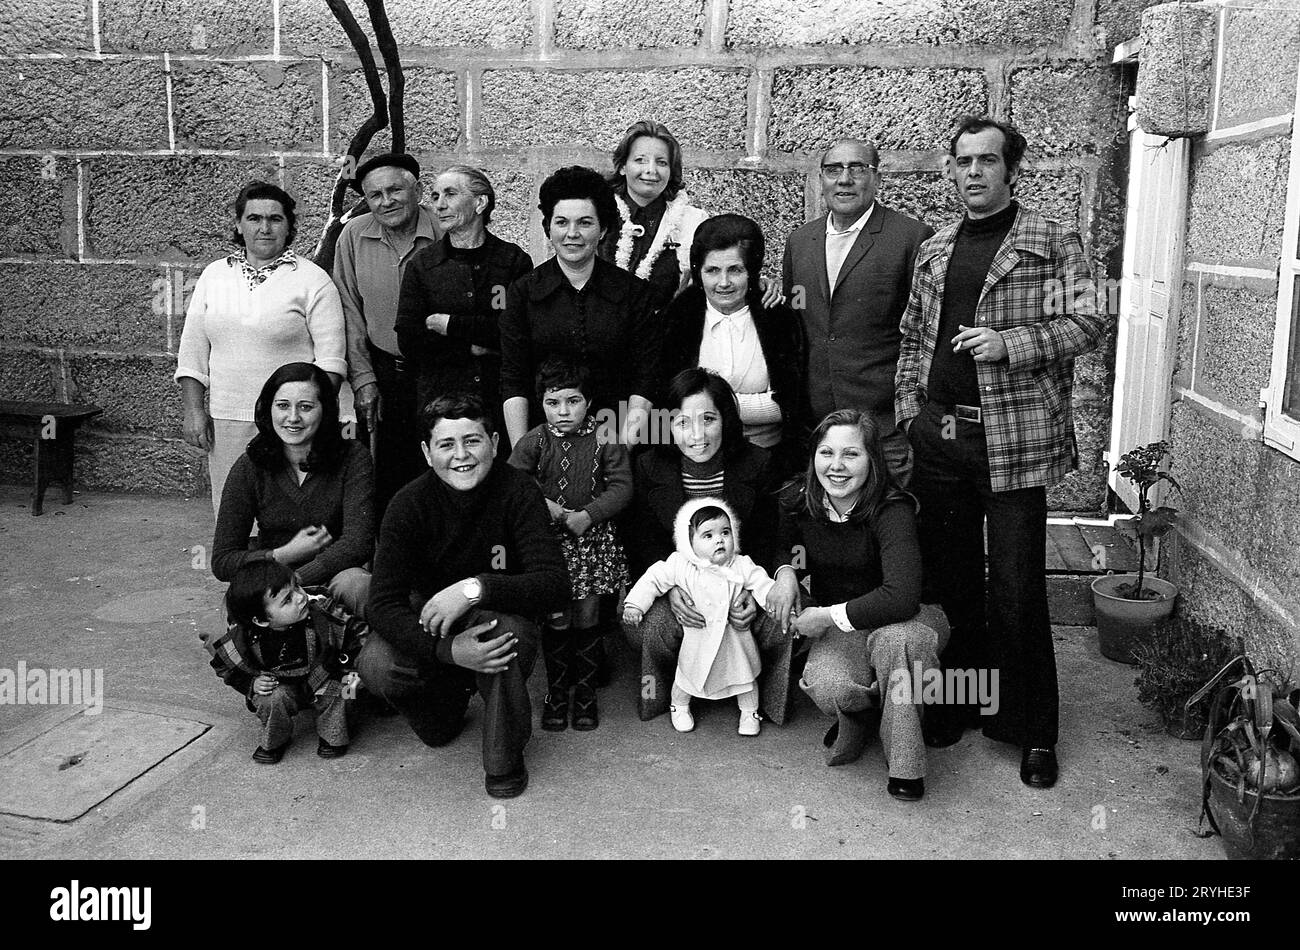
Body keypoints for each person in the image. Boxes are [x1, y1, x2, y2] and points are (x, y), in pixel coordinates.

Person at [895, 116, 1109, 789]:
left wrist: (1010, 343)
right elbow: (911, 339)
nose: (974, 172)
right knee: (954, 585)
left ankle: (1033, 729)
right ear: (951, 170)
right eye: (963, 161)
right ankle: (965, 705)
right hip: (941, 440)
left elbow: (1091, 319)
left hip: (1013, 441)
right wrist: (910, 412)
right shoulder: (935, 248)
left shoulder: (1051, 237)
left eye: (988, 161)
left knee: (1016, 589)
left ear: (1011, 170)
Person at [358, 393, 569, 798]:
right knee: (378, 664)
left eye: (472, 441)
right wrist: (448, 651)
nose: (462, 456)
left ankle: (503, 757)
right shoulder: (406, 504)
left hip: (494, 615)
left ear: (493, 442)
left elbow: (553, 583)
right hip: (433, 624)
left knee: (505, 638)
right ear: (426, 452)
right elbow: (382, 603)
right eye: (446, 444)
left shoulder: (519, 492)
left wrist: (476, 588)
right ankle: (447, 694)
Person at [767, 409, 951, 801]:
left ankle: (906, 765)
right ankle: (874, 711)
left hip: (912, 617)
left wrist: (827, 616)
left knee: (898, 644)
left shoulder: (892, 509)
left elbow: (900, 597)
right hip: (850, 621)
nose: (836, 466)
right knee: (827, 685)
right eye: (826, 452)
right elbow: (785, 545)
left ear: (872, 460)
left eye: (851, 454)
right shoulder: (801, 499)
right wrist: (785, 572)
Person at [623, 369, 795, 724]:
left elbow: (769, 536)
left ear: (726, 421)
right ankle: (669, 691)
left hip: (740, 582)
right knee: (651, 626)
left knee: (785, 617)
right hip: (677, 584)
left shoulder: (757, 462)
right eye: (683, 422)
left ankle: (759, 693)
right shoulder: (649, 465)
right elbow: (642, 543)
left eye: (708, 419)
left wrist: (751, 591)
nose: (696, 435)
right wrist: (670, 589)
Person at [176, 181, 346, 516]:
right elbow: (193, 351)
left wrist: (312, 419)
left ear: (288, 226)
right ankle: (239, 570)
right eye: (254, 219)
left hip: (291, 420)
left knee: (287, 513)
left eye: (275, 219)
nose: (264, 228)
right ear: (239, 225)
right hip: (228, 418)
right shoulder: (214, 276)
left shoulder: (312, 280)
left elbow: (331, 362)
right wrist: (194, 411)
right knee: (234, 513)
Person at [782, 138, 933, 484]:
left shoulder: (911, 237)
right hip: (820, 425)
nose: (844, 179)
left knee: (890, 524)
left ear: (877, 178)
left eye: (857, 169)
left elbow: (926, 333)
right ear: (821, 180)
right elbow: (797, 318)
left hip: (884, 426)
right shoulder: (800, 241)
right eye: (833, 170)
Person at [507, 358, 631, 732]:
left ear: (588, 402)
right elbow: (512, 483)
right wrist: (548, 509)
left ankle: (587, 695)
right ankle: (557, 694)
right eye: (553, 402)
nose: (563, 411)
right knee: (557, 615)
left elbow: (623, 486)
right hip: (550, 545)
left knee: (589, 615)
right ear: (541, 403)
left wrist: (588, 515)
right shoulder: (534, 440)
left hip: (591, 542)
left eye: (572, 401)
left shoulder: (605, 438)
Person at [500, 165, 658, 449]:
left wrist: (621, 452)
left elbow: (645, 379)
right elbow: (514, 378)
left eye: (585, 222)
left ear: (603, 229)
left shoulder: (634, 293)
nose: (572, 233)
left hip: (617, 438)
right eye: (561, 222)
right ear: (548, 228)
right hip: (543, 443)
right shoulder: (523, 292)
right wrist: (522, 455)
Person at [211, 362, 374, 617]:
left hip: (335, 574)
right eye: (283, 405)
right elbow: (222, 561)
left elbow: (357, 544)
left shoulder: (353, 457)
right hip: (273, 579)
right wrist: (282, 555)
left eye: (306, 407)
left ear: (325, 411)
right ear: (269, 409)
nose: (293, 418)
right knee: (225, 620)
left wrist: (294, 580)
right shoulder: (250, 465)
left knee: (359, 587)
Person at [333, 153, 440, 517]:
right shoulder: (352, 236)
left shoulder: (445, 231)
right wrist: (363, 379)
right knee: (387, 476)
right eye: (375, 194)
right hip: (385, 373)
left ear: (419, 190)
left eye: (395, 190)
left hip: (441, 371)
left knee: (443, 466)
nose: (386, 201)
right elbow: (349, 311)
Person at [660, 213, 805, 476]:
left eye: (735, 270)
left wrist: (710, 408)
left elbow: (789, 404)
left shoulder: (778, 317)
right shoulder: (679, 318)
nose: (724, 283)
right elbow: (672, 404)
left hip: (769, 459)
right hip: (695, 461)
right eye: (712, 270)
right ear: (698, 271)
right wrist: (751, 406)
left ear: (752, 270)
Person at [397, 165, 534, 435]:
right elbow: (410, 340)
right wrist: (472, 348)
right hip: (441, 405)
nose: (439, 205)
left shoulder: (512, 261)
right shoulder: (422, 266)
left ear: (480, 203)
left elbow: (516, 332)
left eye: (450, 194)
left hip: (500, 401)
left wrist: (450, 325)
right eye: (435, 197)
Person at [623, 498, 777, 736]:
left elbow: (763, 584)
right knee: (686, 677)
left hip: (733, 639)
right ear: (688, 542)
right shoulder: (680, 565)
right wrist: (635, 605)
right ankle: (679, 705)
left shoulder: (741, 565)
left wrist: (775, 604)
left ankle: (750, 712)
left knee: (744, 677)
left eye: (725, 532)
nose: (719, 540)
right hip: (698, 638)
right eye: (708, 535)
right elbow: (652, 579)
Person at [207, 559, 365, 762]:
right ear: (262, 620)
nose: (300, 597)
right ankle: (276, 740)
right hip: (282, 688)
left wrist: (355, 674)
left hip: (325, 677)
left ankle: (334, 736)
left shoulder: (322, 613)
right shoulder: (243, 639)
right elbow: (224, 666)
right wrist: (251, 683)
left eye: (297, 587)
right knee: (269, 698)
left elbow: (356, 637)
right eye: (287, 600)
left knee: (347, 691)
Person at [598, 120, 710, 311]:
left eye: (661, 162)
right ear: (623, 166)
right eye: (640, 160)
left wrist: (761, 284)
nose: (651, 170)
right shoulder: (598, 214)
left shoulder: (693, 221)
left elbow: (720, 271)